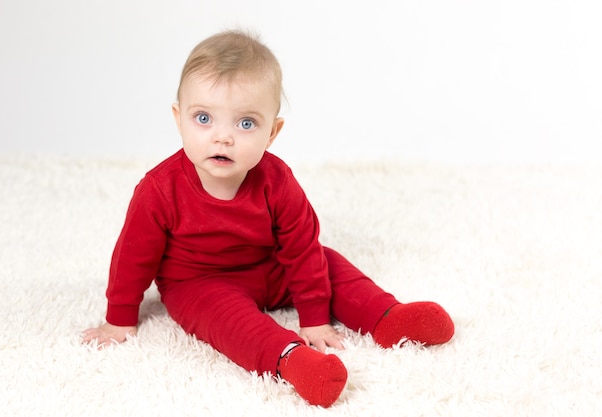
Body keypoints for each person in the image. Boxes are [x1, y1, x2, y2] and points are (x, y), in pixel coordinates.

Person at [82, 29, 454, 408]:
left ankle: (387, 317)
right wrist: (119, 318)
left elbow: (302, 244)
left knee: (327, 263)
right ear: (179, 119)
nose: (222, 137)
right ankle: (292, 361)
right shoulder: (160, 190)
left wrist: (314, 318)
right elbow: (132, 257)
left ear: (272, 132)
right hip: (200, 283)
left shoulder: (277, 180)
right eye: (204, 118)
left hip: (271, 267)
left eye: (245, 124)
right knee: (231, 324)